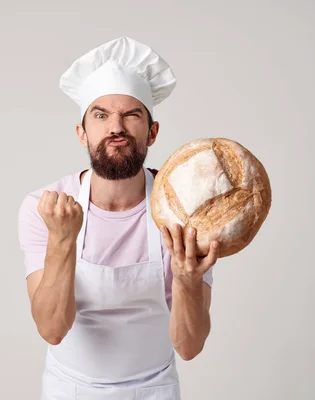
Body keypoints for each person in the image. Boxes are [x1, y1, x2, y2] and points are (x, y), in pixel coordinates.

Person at [17, 36, 220, 400]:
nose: (116, 127)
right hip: (69, 391)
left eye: (131, 114)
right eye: (100, 115)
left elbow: (189, 347)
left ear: (152, 132)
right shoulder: (45, 209)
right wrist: (63, 241)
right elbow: (52, 329)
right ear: (82, 133)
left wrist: (189, 280)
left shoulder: (185, 213)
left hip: (154, 390)